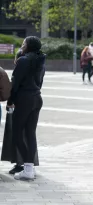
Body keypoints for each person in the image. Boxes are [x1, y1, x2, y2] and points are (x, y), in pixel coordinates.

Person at [7, 36, 45, 180]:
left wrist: (10, 101)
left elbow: (15, 83)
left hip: (24, 99)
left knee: (16, 134)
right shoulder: (40, 61)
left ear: (29, 46)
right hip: (37, 98)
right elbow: (40, 82)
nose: (22, 45)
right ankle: (29, 169)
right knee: (30, 133)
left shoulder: (23, 60)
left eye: (24, 43)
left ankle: (27, 167)